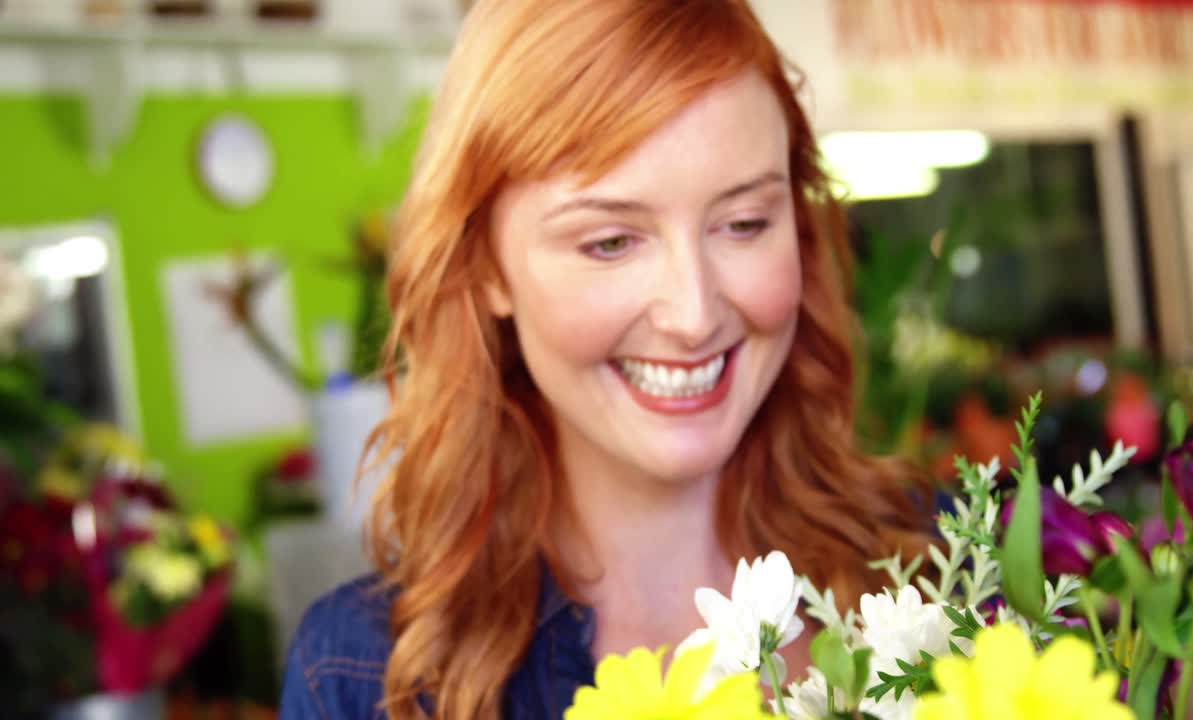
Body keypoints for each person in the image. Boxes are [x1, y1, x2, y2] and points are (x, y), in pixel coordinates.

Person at [280, 1, 932, 718]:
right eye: (610, 243)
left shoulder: (955, 570)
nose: (694, 315)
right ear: (487, 266)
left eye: (744, 224)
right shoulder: (364, 676)